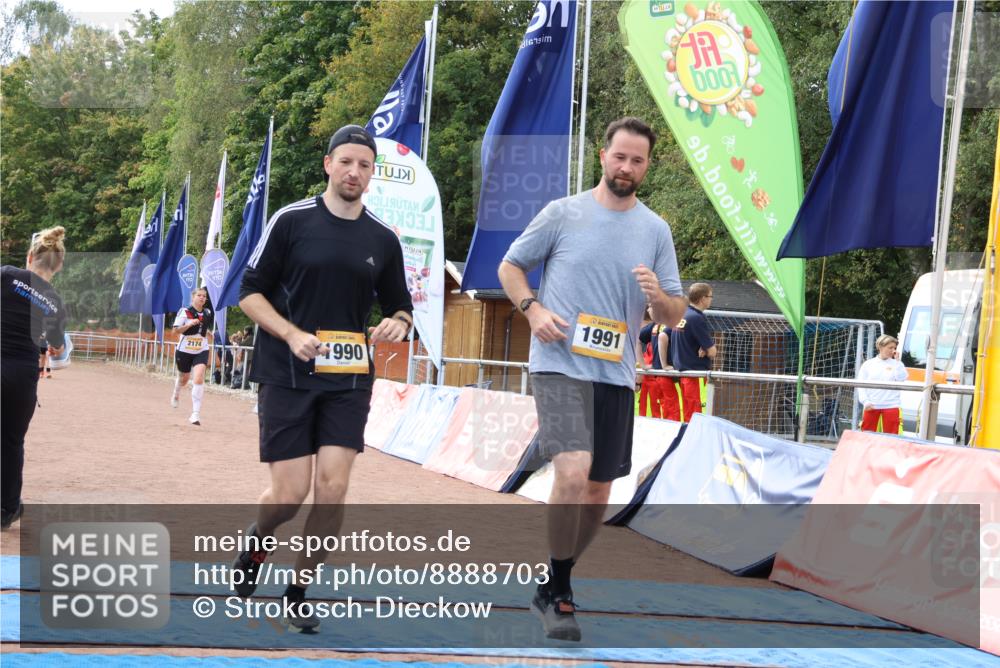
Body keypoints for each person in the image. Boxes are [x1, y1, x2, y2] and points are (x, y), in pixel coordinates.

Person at [498, 117, 686, 641]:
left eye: (638, 160)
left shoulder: (655, 230)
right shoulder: (563, 213)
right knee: (574, 471)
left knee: (600, 492)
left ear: (648, 166)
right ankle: (560, 594)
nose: (626, 167)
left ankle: (554, 578)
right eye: (619, 156)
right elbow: (510, 268)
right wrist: (533, 309)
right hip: (558, 363)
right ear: (603, 155)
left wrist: (658, 298)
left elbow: (673, 316)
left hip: (616, 374)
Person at [232, 124, 413, 633]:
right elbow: (249, 293)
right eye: (347, 162)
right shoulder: (291, 221)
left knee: (332, 488)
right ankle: (258, 541)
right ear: (328, 164)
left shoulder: (382, 238)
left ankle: (299, 590)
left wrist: (397, 322)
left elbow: (401, 307)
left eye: (365, 165)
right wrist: (290, 334)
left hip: (349, 377)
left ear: (372, 174)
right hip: (286, 372)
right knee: (289, 495)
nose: (355, 172)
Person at [1, 227, 67, 529]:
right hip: (21, 378)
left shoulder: (6, 275)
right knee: (12, 443)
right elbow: (56, 349)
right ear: (58, 267)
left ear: (30, 256)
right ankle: (8, 508)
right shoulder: (54, 301)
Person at [671, 283, 716, 422]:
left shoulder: (682, 314)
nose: (711, 299)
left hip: (681, 372)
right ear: (702, 298)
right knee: (696, 416)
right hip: (695, 375)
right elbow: (713, 352)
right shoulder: (697, 318)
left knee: (687, 415)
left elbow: (665, 336)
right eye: (710, 296)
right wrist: (707, 347)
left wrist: (702, 346)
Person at [170, 287, 214, 425]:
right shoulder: (185, 312)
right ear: (193, 297)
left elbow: (203, 328)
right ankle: (176, 391)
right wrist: (188, 325)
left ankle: (195, 414)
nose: (202, 298)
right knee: (184, 379)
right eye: (199, 295)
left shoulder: (207, 312)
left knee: (199, 377)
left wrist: (208, 333)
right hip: (184, 350)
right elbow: (175, 331)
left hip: (201, 349)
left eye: (204, 296)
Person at [857, 334, 908, 434]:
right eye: (890, 347)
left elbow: (901, 378)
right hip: (872, 405)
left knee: (892, 436)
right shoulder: (868, 364)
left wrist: (898, 362)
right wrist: (865, 401)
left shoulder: (897, 364)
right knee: (867, 435)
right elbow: (861, 385)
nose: (893, 350)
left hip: (892, 405)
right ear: (880, 347)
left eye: (894, 348)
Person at [656, 323, 683, 421]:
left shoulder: (657, 324)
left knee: (669, 405)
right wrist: (664, 365)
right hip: (668, 371)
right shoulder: (674, 323)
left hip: (663, 371)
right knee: (671, 405)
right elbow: (662, 336)